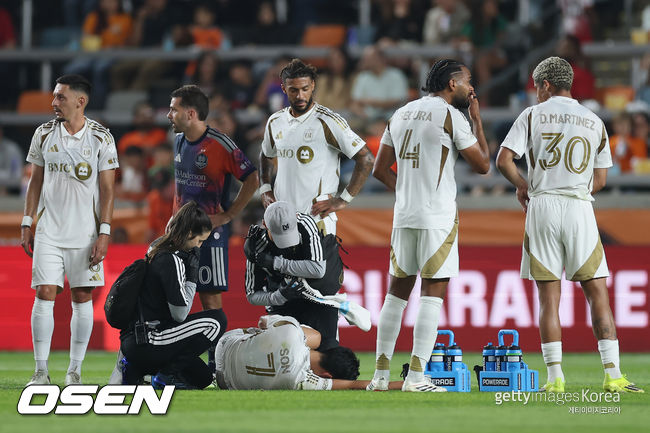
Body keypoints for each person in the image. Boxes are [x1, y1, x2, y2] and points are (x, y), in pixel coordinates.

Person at [496, 56, 643, 393]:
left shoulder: (532, 115)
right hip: (579, 207)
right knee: (597, 293)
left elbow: (504, 160)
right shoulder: (594, 121)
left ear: (546, 85)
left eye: (537, 87)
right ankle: (613, 375)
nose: (536, 93)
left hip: (542, 206)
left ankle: (555, 379)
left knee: (549, 298)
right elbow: (601, 180)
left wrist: (523, 185)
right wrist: (575, 190)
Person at [369, 59, 490, 392]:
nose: (471, 88)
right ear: (452, 84)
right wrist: (477, 121)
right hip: (436, 218)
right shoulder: (451, 115)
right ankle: (416, 377)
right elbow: (483, 165)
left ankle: (380, 377)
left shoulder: (401, 113)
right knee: (432, 297)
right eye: (467, 81)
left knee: (395, 296)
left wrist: (407, 192)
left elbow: (379, 169)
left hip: (404, 216)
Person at [21, 74, 119, 386]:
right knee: (44, 292)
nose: (54, 102)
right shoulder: (43, 133)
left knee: (82, 296)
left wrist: (104, 232)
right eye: (54, 96)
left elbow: (108, 190)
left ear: (81, 101)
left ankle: (74, 371)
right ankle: (40, 371)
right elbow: (35, 181)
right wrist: (27, 221)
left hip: (86, 233)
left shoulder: (101, 138)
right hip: (49, 230)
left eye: (60, 97)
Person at [168, 84, 259, 370]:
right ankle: (176, 360)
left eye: (173, 109)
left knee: (210, 300)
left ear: (190, 113)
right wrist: (173, 218)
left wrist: (229, 215)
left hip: (210, 235)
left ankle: (216, 365)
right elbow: (180, 186)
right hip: (180, 235)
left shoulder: (221, 144)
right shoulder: (179, 141)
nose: (169, 115)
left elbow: (252, 178)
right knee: (174, 298)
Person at [111, 201, 227, 389]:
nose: (199, 246)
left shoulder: (156, 248)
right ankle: (165, 376)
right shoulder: (172, 260)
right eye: (199, 241)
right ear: (189, 233)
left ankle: (135, 369)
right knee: (217, 321)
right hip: (150, 339)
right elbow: (180, 314)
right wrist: (192, 277)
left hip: (136, 340)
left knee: (203, 378)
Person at [260, 58, 374, 235]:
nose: (300, 96)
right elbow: (266, 155)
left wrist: (343, 199)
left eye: (305, 89)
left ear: (313, 86)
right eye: (294, 90)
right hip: (283, 218)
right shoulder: (275, 121)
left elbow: (366, 158)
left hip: (317, 219)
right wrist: (265, 189)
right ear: (284, 89)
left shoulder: (328, 121)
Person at [244, 201, 341, 351]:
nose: (287, 243)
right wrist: (279, 296)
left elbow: (318, 269)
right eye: (278, 235)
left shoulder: (305, 223)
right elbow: (251, 295)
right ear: (264, 224)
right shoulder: (256, 247)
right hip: (283, 303)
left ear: (296, 217)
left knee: (328, 352)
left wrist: (275, 262)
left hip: (318, 296)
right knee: (286, 353)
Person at [215, 314, 402, 391]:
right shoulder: (302, 381)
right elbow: (355, 385)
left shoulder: (292, 330)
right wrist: (404, 383)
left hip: (224, 344)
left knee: (314, 337)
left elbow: (262, 321)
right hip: (224, 380)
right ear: (327, 375)